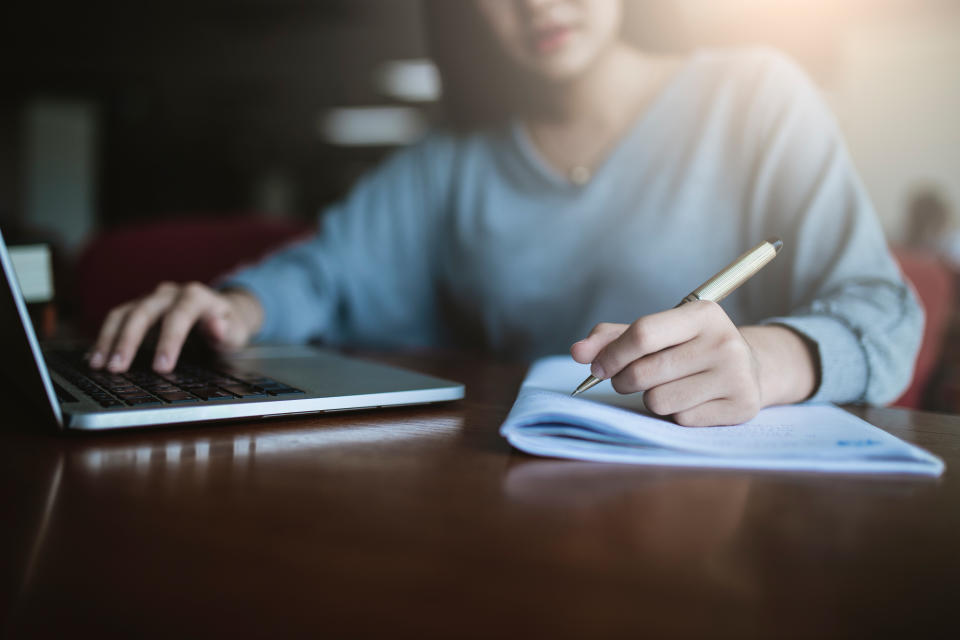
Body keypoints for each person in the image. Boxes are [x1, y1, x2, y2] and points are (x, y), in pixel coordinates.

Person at [87, 0, 922, 427]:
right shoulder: (453, 159)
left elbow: (884, 314)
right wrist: (235, 307)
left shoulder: (756, 95)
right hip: (517, 500)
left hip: (736, 511)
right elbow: (328, 271)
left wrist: (764, 363)